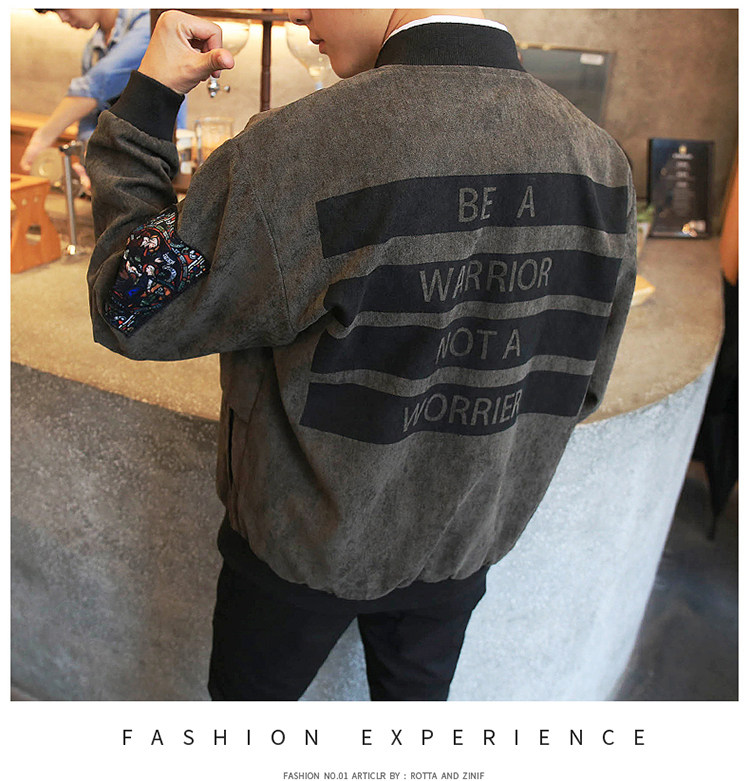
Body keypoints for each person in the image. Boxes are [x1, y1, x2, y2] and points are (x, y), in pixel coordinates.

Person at [85, 9, 637, 701]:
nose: (300, 14)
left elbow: (130, 306)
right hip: (462, 546)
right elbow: (581, 388)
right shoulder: (601, 163)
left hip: (296, 552)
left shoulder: (298, 149)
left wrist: (150, 99)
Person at [20, 8, 186, 188]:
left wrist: (43, 136)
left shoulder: (151, 23)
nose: (62, 18)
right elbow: (90, 119)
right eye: (54, 12)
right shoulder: (92, 49)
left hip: (155, 165)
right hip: (118, 172)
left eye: (62, 7)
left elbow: (100, 82)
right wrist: (91, 158)